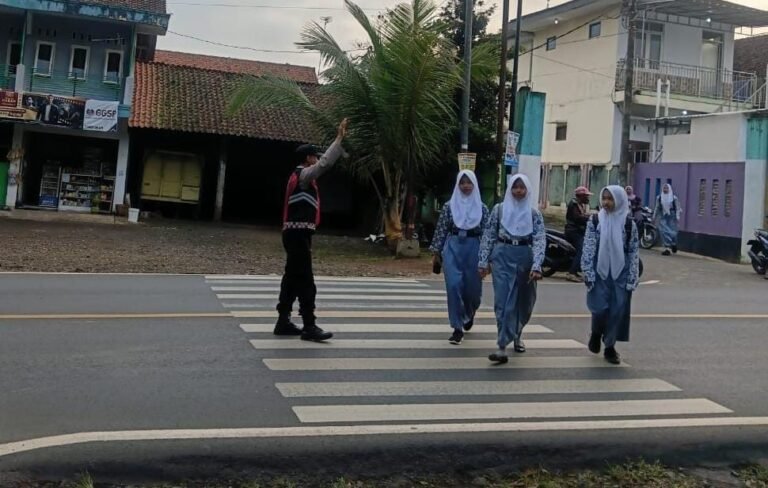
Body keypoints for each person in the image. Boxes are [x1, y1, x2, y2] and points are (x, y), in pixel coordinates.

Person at [273, 118, 349, 342]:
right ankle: (309, 325)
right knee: (306, 280)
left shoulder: (296, 177)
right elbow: (324, 164)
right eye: (314, 156)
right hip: (297, 235)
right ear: (308, 158)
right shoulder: (303, 175)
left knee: (291, 278)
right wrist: (338, 140)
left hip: (295, 234)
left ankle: (283, 321)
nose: (316, 159)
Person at [478, 174, 545, 363]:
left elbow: (540, 239)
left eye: (522, 187)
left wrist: (537, 264)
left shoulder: (534, 214)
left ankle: (517, 334)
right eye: (515, 187)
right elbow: (489, 235)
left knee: (524, 302)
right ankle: (501, 346)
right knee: (503, 303)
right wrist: (483, 262)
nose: (518, 191)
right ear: (509, 189)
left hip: (525, 257)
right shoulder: (499, 210)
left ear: (527, 190)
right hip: (502, 256)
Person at [581, 186, 640, 365]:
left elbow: (633, 251)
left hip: (620, 273)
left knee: (616, 312)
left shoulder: (629, 224)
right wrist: (587, 270)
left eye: (610, 199)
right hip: (600, 271)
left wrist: (632, 276)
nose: (606, 202)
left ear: (619, 200)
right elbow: (589, 245)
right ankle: (596, 332)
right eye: (604, 198)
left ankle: (609, 347)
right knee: (599, 308)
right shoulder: (596, 220)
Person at [430, 170, 489, 345]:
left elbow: (487, 234)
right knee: (454, 286)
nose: (465, 186)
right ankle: (457, 328)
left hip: (474, 248)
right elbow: (441, 229)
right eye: (462, 183)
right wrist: (436, 253)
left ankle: (469, 314)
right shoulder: (449, 206)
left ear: (474, 184)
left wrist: (488, 258)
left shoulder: (482, 208)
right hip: (453, 247)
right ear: (457, 185)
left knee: (473, 292)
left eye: (469, 182)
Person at [564, 186, 593, 282]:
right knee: (582, 250)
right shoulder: (574, 204)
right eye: (586, 196)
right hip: (573, 231)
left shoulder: (579, 204)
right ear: (581, 196)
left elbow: (581, 216)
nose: (587, 198)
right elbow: (578, 218)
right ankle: (571, 273)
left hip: (577, 230)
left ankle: (575, 270)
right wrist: (589, 218)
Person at [653, 183, 681, 256]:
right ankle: (667, 248)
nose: (665, 189)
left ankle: (673, 244)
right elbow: (657, 207)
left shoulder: (674, 198)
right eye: (664, 188)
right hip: (663, 215)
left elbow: (678, 207)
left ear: (669, 189)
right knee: (663, 231)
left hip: (672, 216)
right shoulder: (659, 198)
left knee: (672, 232)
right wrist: (654, 216)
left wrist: (677, 216)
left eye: (666, 188)